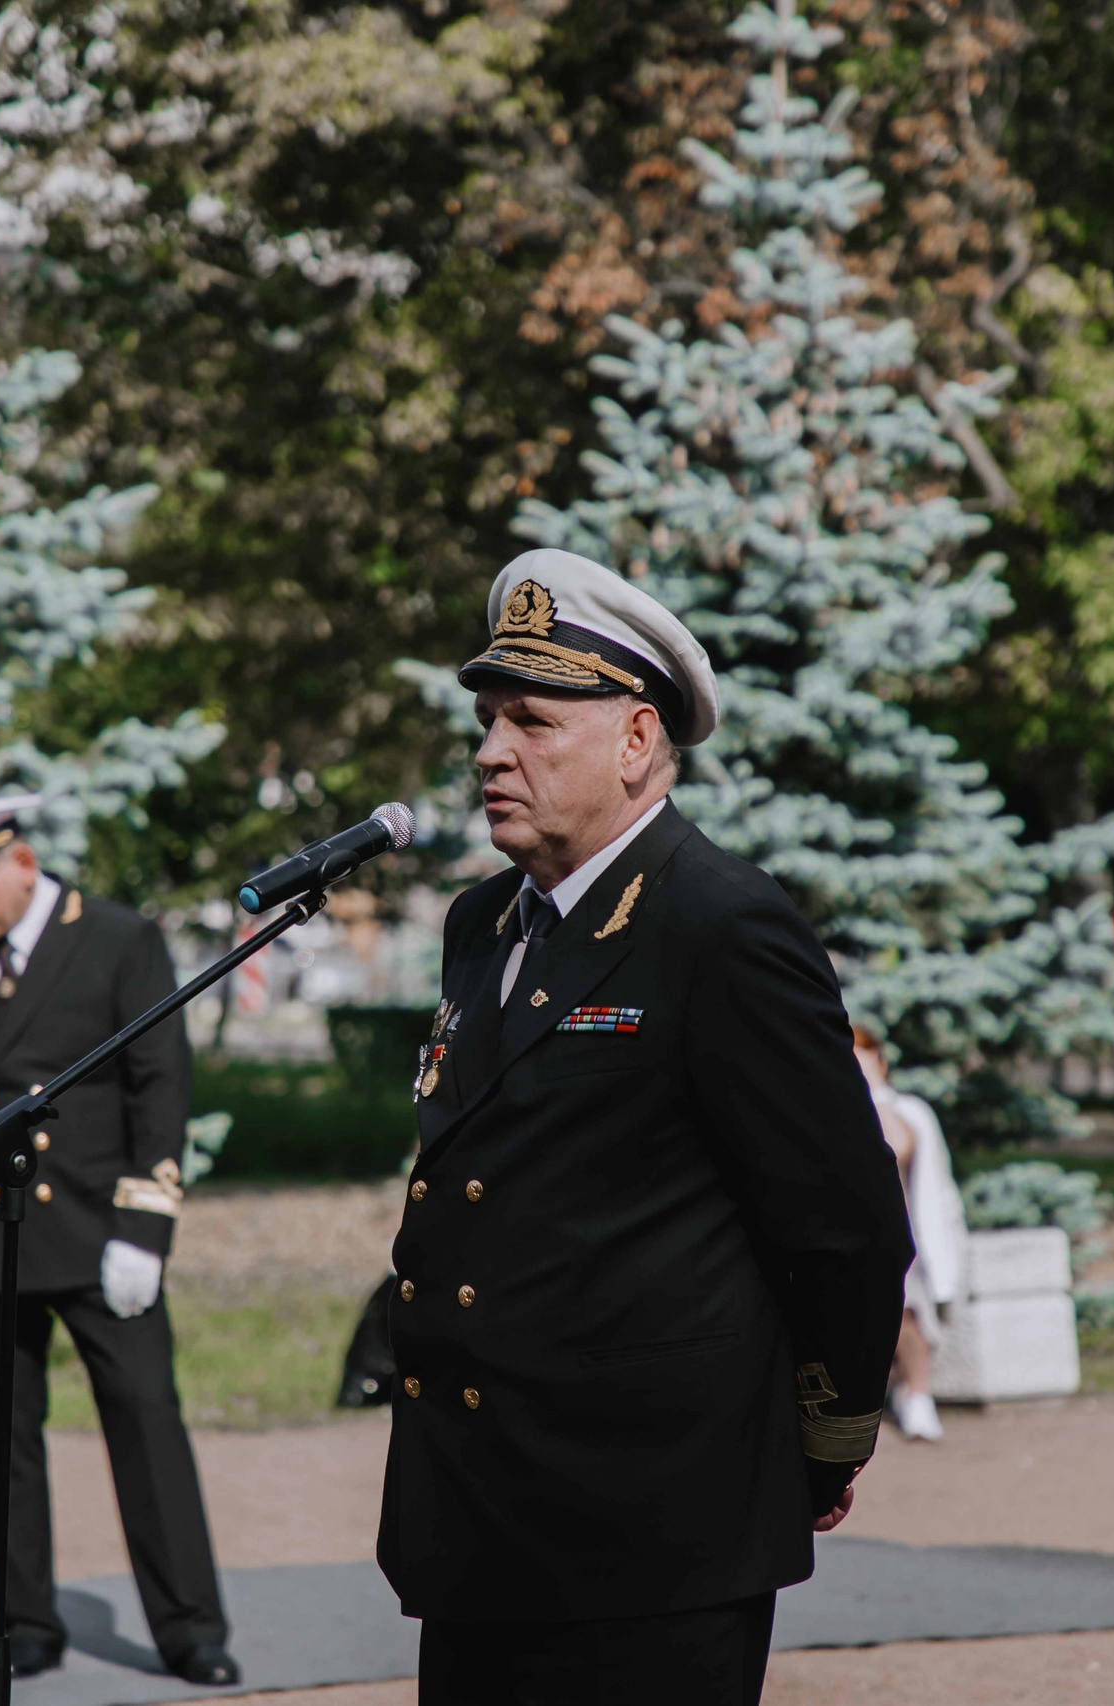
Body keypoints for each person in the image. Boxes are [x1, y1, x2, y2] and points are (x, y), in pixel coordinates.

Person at [383, 549, 913, 1705]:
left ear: (634, 742)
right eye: (486, 718)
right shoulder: (484, 921)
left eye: (530, 719)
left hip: (648, 1524)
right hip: (480, 1514)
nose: (488, 749)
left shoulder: (719, 922)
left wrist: (824, 1439)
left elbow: (845, 1222)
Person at [0, 796, 237, 1688]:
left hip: (98, 1229)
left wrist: (144, 1226)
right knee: (5, 1440)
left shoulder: (119, 939)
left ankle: (192, 1626)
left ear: (19, 862)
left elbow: (159, 1082)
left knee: (147, 1424)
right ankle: (25, 1616)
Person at [853, 1027, 964, 1443]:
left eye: (861, 1055)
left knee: (906, 1315)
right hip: (848, 1239)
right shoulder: (825, 1108)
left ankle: (918, 1394)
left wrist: (874, 1091)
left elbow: (897, 1145)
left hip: (902, 1240)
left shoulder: (905, 1109)